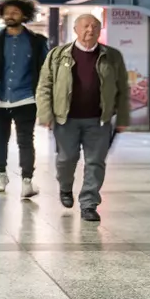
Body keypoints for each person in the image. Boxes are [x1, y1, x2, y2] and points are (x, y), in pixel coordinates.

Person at [36, 14, 129, 222]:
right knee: (66, 159)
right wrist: (45, 114)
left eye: (95, 27)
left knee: (96, 162)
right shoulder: (58, 55)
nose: (91, 30)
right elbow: (44, 86)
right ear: (76, 30)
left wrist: (122, 116)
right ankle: (65, 187)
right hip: (65, 119)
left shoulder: (112, 56)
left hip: (99, 119)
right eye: (86, 26)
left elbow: (123, 88)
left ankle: (89, 204)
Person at [0, 0, 49, 198]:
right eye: (7, 12)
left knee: (26, 139)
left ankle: (27, 180)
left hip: (26, 98)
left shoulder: (37, 42)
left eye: (15, 12)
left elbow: (46, 71)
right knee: (0, 138)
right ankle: (1, 175)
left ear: (25, 16)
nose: (10, 16)